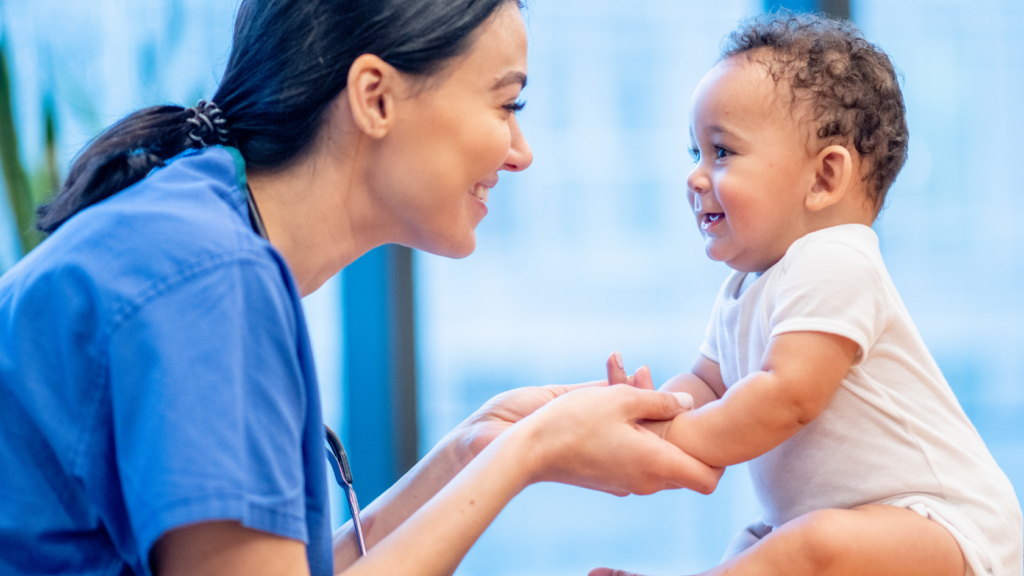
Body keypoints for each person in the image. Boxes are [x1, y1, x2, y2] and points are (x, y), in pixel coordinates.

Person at [0, 1, 725, 575]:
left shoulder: (197, 233)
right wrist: (528, 454)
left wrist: (480, 445)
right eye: (507, 106)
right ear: (374, 97)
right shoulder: (207, 279)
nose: (521, 153)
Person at [592, 12, 1022, 576]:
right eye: (694, 153)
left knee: (806, 546)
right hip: (856, 523)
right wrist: (652, 413)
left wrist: (681, 433)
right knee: (759, 544)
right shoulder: (744, 287)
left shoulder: (837, 260)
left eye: (721, 152)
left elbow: (787, 396)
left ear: (823, 178)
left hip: (945, 527)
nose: (696, 177)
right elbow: (706, 383)